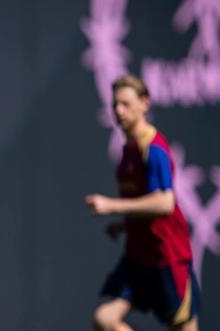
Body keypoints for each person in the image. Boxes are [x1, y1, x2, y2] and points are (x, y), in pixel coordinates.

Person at [86, 75, 200, 331]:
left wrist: (113, 206)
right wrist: (125, 225)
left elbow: (164, 203)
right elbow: (145, 205)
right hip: (138, 258)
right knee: (105, 319)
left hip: (166, 258)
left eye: (126, 104)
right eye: (115, 104)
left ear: (145, 104)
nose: (118, 111)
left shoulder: (154, 148)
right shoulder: (128, 150)